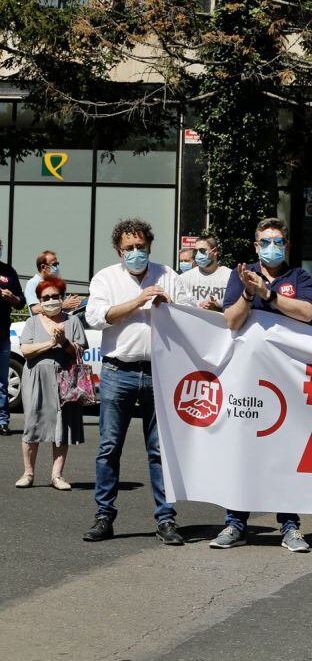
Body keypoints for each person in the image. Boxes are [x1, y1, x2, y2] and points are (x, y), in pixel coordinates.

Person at [211, 217, 312, 553]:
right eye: (266, 241)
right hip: (248, 379)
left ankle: (289, 526)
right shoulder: (239, 275)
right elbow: (230, 320)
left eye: (278, 241)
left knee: (286, 450)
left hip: (288, 378)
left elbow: (306, 312)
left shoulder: (298, 276)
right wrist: (247, 291)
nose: (273, 246)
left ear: (286, 245)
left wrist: (267, 294)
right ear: (256, 246)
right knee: (244, 449)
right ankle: (235, 523)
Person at [83, 218, 186, 544]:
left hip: (160, 371)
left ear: (149, 247)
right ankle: (104, 516)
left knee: (160, 450)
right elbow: (96, 317)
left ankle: (166, 520)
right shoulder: (105, 278)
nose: (136, 253)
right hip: (118, 372)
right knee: (109, 447)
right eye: (129, 248)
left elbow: (191, 314)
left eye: (141, 247)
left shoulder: (168, 276)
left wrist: (168, 305)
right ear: (118, 250)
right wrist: (138, 301)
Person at [15, 276, 86, 490]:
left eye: (56, 296)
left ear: (62, 297)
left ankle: (57, 475)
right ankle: (28, 473)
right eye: (46, 297)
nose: (51, 300)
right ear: (39, 300)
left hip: (65, 378)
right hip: (36, 378)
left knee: (62, 425)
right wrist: (50, 343)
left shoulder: (72, 321)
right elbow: (26, 351)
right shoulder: (32, 322)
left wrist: (64, 342)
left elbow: (79, 351)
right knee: (33, 423)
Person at [0, 241, 25, 437]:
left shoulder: (8, 272)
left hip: (2, 335)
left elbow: (21, 302)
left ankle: (2, 421)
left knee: (2, 381)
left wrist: (12, 298)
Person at [178, 235, 232, 312]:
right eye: (196, 251)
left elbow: (236, 311)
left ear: (215, 251)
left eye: (202, 251)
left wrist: (216, 308)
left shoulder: (229, 276)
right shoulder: (184, 278)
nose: (198, 255)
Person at [25, 250, 80, 315]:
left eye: (57, 264)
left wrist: (72, 302)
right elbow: (36, 309)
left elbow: (64, 307)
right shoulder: (33, 283)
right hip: (43, 324)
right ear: (43, 267)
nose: (57, 268)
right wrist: (62, 305)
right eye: (54, 264)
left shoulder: (57, 283)